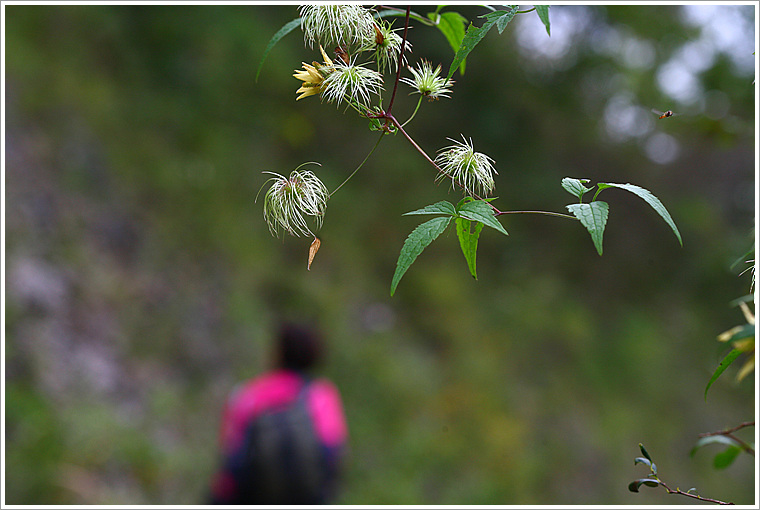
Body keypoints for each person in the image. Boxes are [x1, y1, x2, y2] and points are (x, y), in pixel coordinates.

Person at [209, 322, 348, 504]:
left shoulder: (249, 394)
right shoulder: (322, 395)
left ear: (278, 352)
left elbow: (231, 457)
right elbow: (334, 456)